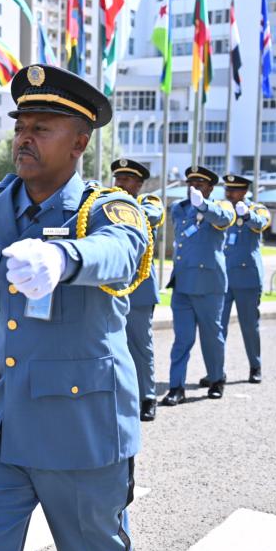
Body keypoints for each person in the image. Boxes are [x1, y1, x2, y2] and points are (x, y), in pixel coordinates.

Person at [0, 65, 149, 551]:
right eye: (22, 125)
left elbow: (124, 251)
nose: (25, 137)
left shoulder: (107, 209)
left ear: (79, 142)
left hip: (79, 435)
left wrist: (65, 258)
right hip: (2, 426)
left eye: (42, 128)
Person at [162, 166, 235, 405]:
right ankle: (176, 387)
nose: (194, 187)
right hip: (182, 283)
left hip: (208, 284)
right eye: (191, 183)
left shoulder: (221, 208)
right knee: (182, 339)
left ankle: (216, 379)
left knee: (211, 336)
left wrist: (203, 205)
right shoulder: (179, 209)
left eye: (200, 184)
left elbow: (224, 219)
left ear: (211, 188)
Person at [112, 158, 165, 421]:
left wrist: (120, 207)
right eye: (117, 179)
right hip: (111, 289)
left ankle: (148, 396)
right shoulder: (107, 203)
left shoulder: (149, 203)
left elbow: (154, 216)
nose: (119, 183)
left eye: (126, 179)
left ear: (139, 184)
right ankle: (120, 394)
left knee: (141, 346)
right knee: (111, 344)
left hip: (139, 289)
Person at [221, 174, 270, 384]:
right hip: (222, 277)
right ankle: (216, 372)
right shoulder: (222, 209)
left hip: (247, 277)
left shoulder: (257, 209)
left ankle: (255, 365)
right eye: (228, 190)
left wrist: (247, 215)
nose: (230, 194)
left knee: (249, 326)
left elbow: (261, 223)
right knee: (217, 328)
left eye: (234, 191)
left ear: (244, 192)